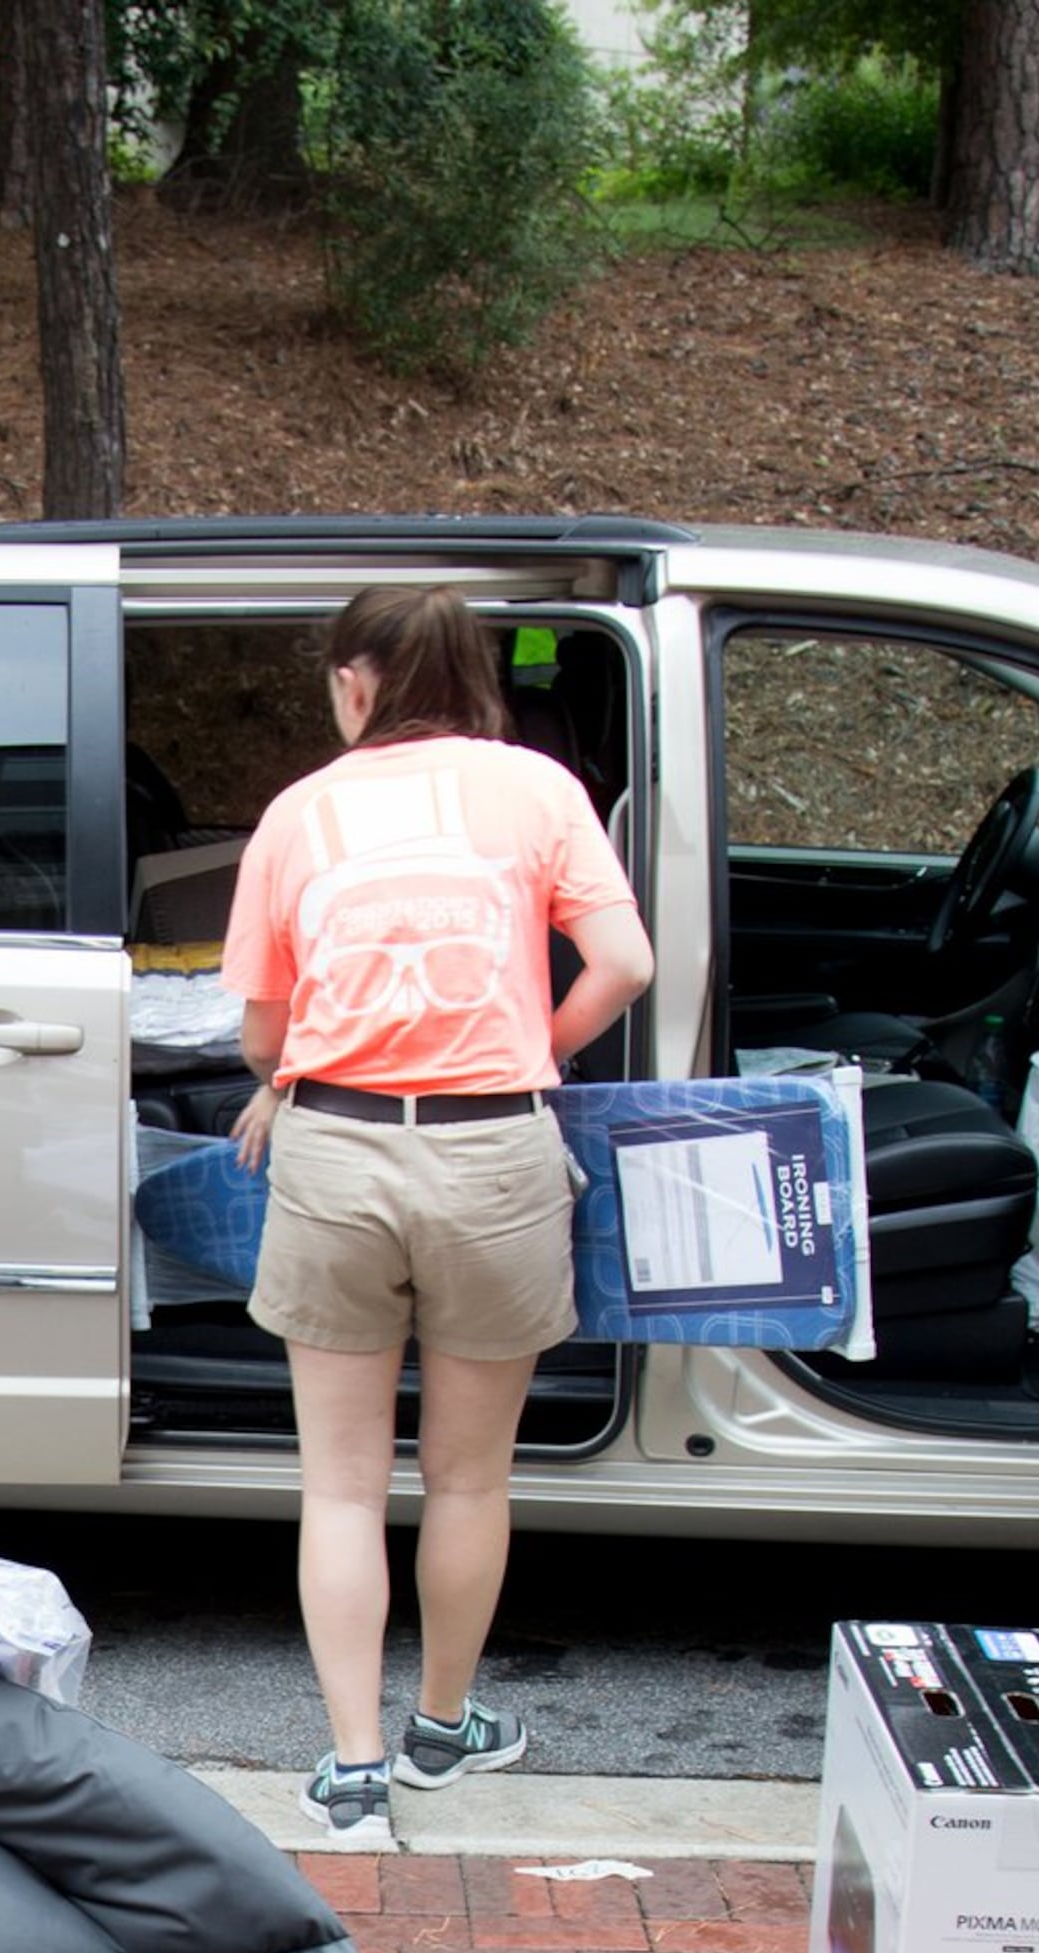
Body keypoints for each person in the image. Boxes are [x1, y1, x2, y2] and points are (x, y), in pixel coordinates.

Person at [221, 588, 655, 1847]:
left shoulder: (300, 814)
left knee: (343, 1488)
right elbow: (623, 964)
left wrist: (294, 1080)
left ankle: (351, 1768)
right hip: (492, 1157)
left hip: (340, 1154)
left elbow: (262, 1034)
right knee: (469, 1476)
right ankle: (441, 1730)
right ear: (472, 677)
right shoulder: (538, 791)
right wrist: (536, 1052)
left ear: (356, 682)